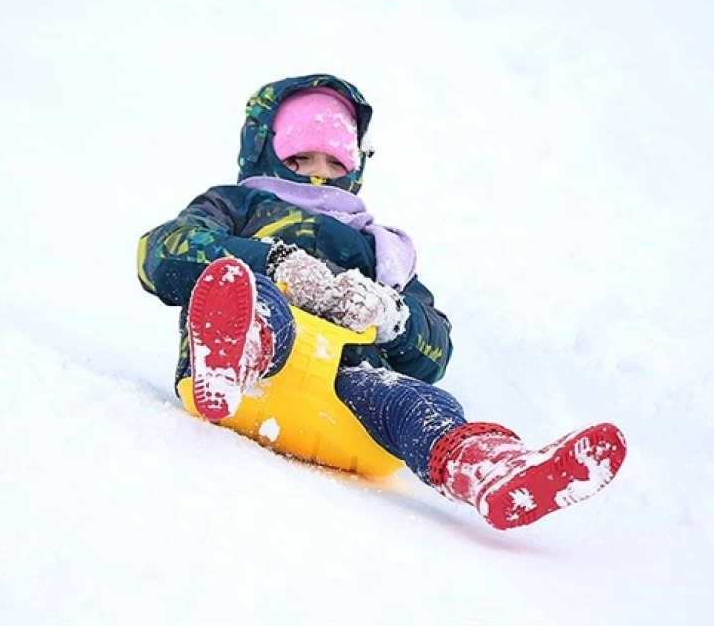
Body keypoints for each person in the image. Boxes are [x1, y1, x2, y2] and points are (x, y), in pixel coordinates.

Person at [136, 73, 627, 531]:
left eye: (335, 162)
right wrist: (273, 262)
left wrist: (390, 315)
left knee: (412, 400)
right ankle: (235, 355)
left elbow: (435, 351)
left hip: (345, 391)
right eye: (298, 160)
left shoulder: (379, 246)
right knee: (256, 299)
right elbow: (160, 252)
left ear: (356, 167)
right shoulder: (240, 206)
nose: (318, 176)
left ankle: (490, 469)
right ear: (265, 154)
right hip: (259, 367)